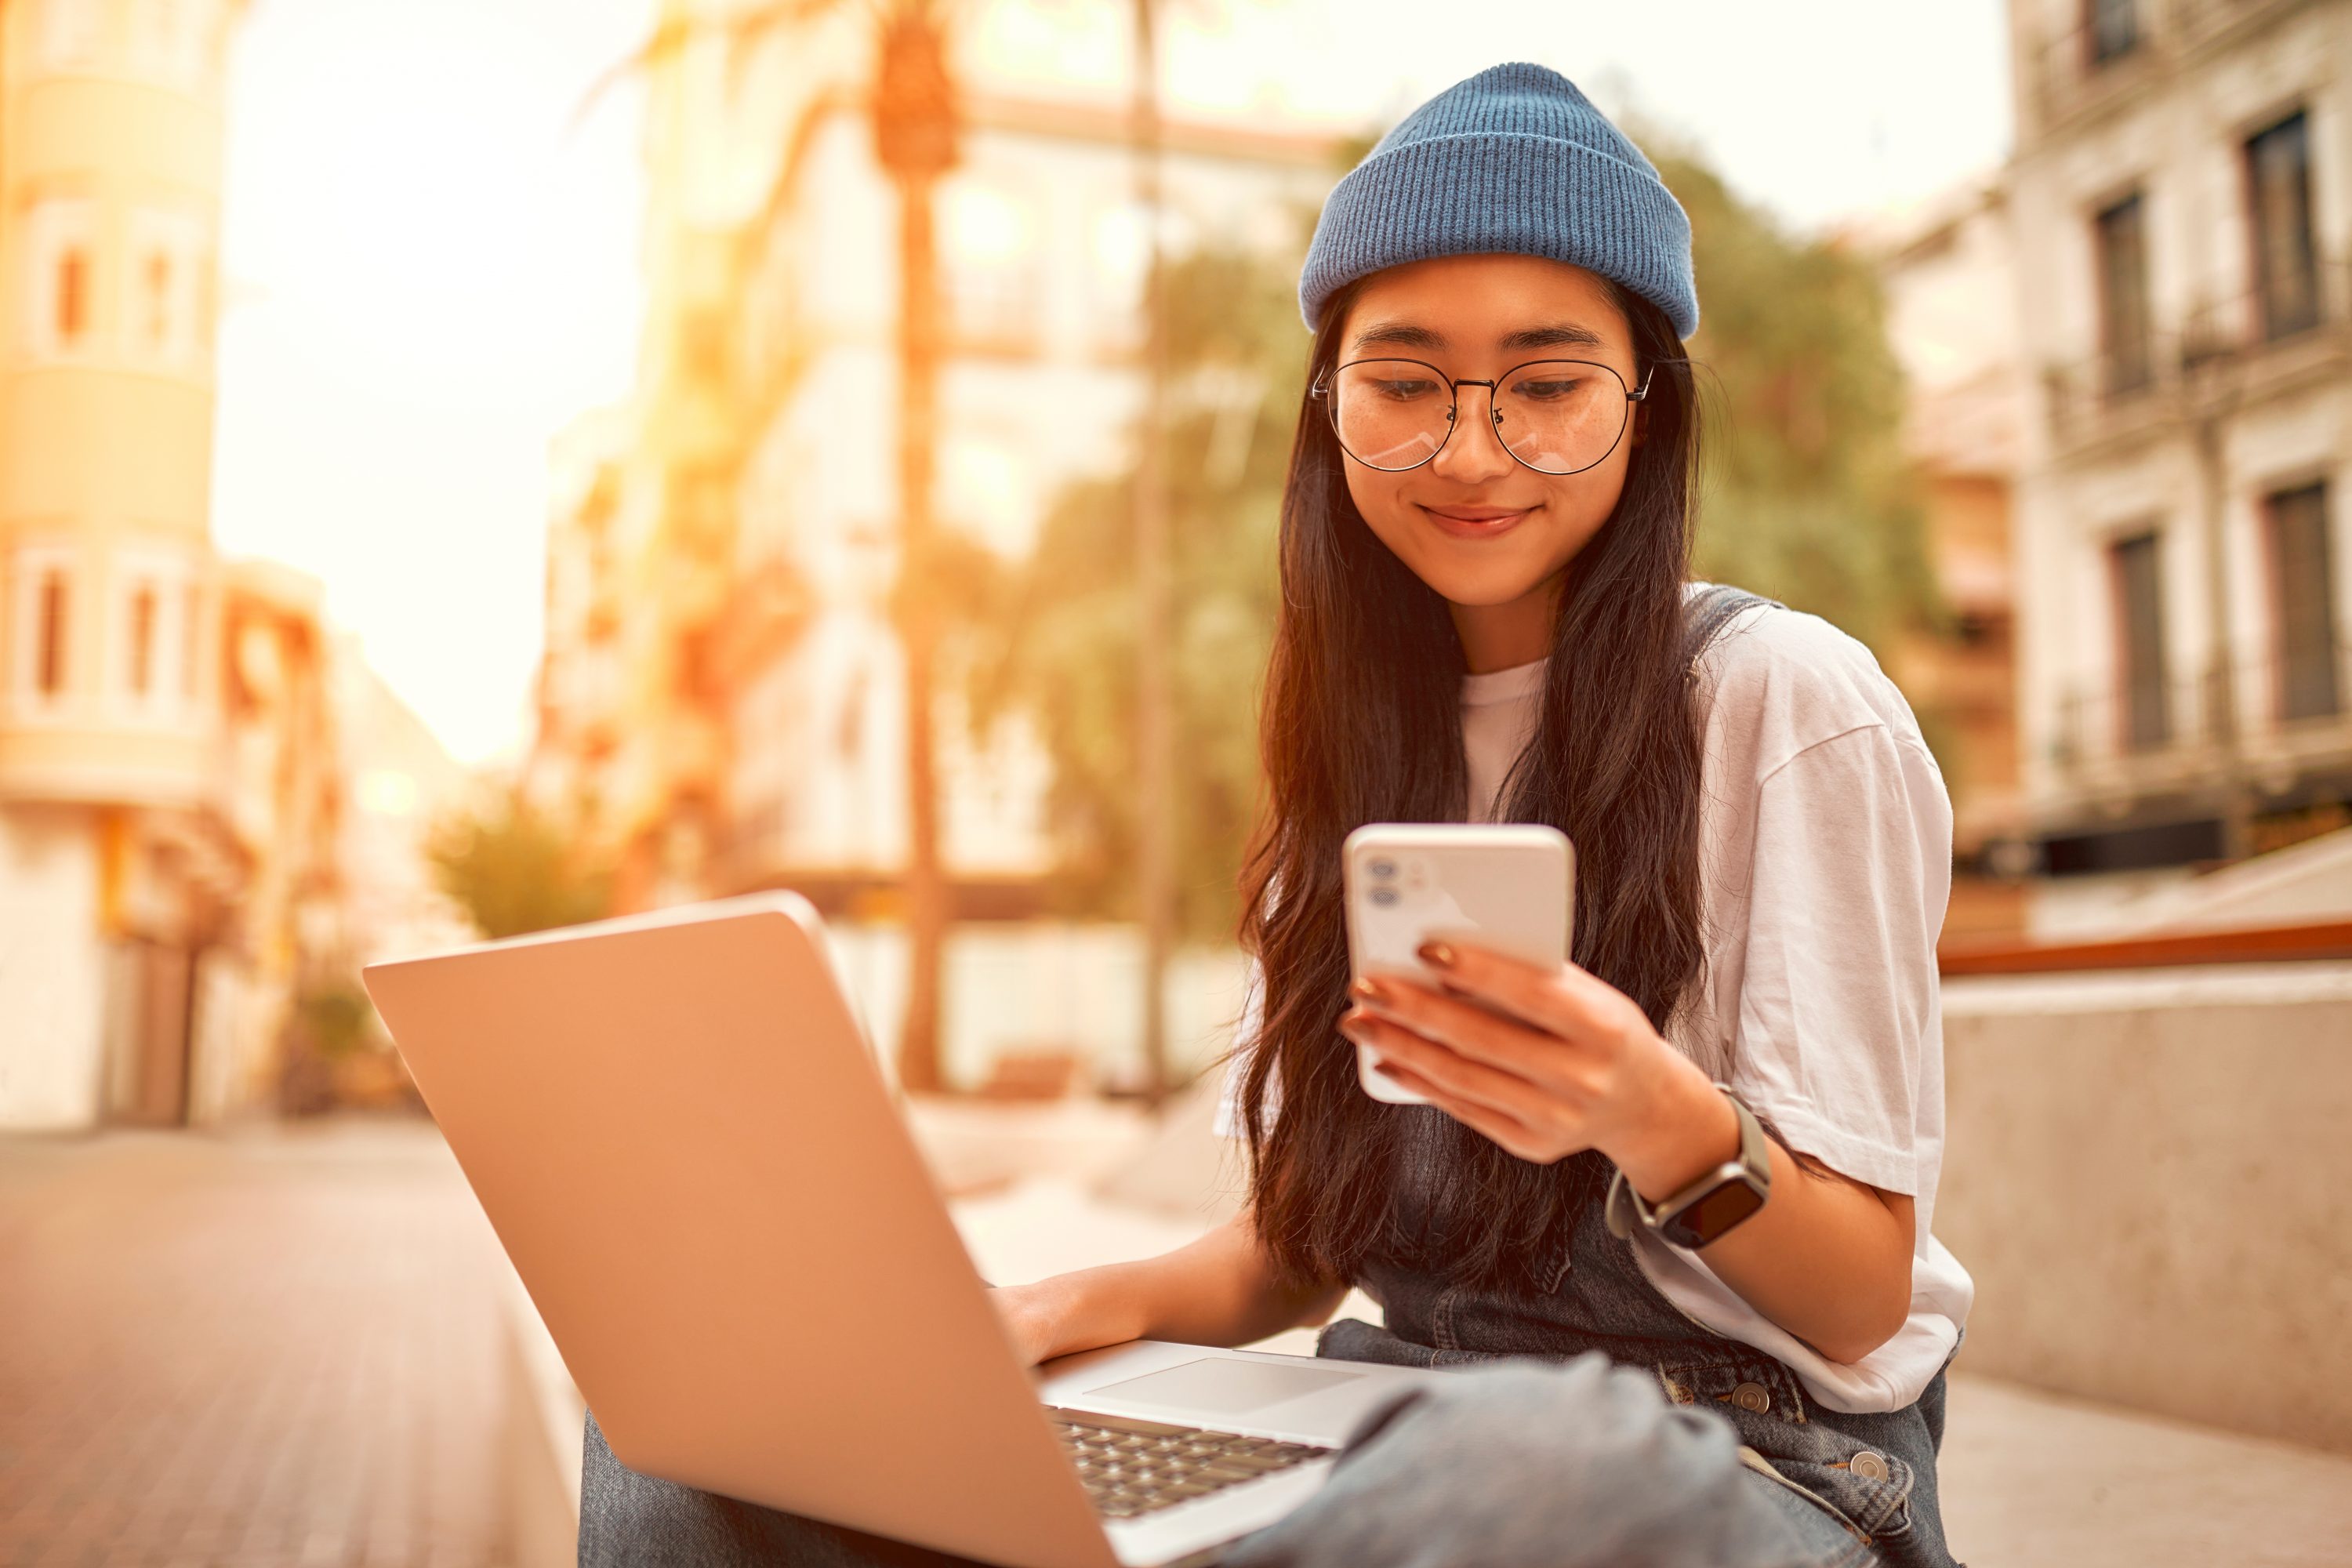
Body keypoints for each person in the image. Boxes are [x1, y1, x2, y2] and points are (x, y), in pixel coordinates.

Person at [582, 61, 1972, 1568]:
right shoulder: (1358, 743)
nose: (1469, 450)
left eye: (1550, 384)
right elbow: (1298, 1251)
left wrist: (1650, 1113)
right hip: (1395, 1437)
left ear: (1647, 408)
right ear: (1330, 404)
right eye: (1406, 380)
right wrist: (1041, 1315)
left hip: (1755, 1466)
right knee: (708, 1412)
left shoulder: (1781, 698)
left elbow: (1861, 1297)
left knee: (1543, 1458)